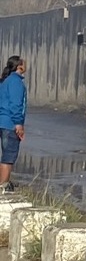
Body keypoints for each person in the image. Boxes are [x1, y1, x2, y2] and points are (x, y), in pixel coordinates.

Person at [0, 56, 26, 192]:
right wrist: (18, 123)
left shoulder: (5, 80)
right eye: (24, 63)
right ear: (19, 66)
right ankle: (3, 186)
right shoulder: (15, 82)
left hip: (3, 122)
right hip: (10, 124)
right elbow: (16, 104)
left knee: (6, 154)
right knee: (8, 156)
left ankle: (4, 182)